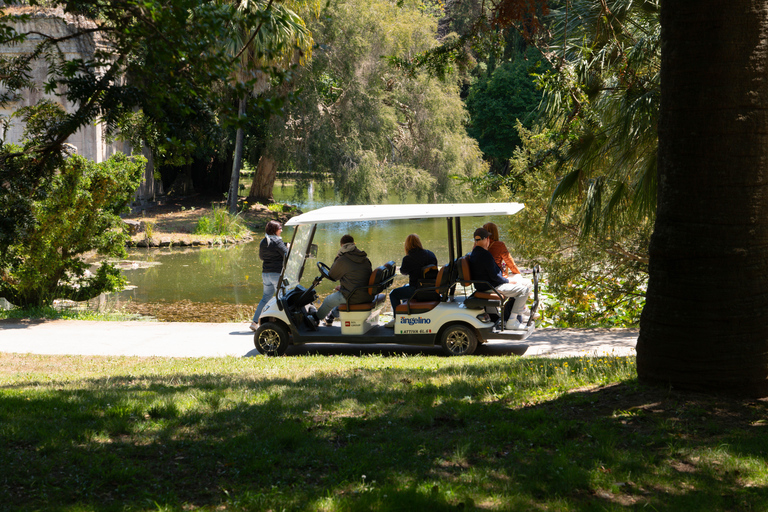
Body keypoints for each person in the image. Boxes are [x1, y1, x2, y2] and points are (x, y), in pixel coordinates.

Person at [468, 227, 531, 330]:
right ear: (485, 240)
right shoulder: (485, 255)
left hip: (486, 284)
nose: (489, 240)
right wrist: (509, 281)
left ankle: (515, 313)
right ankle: (512, 321)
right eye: (488, 238)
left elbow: (493, 275)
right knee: (524, 290)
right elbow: (495, 277)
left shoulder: (475, 253)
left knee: (520, 286)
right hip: (491, 286)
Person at [483, 221, 535, 320]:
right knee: (527, 283)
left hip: (490, 278)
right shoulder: (499, 245)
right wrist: (517, 274)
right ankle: (518, 312)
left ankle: (519, 311)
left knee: (521, 283)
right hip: (495, 280)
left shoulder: (479, 248)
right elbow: (510, 262)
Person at [316, 234, 373, 325]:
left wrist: (337, 258)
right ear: (354, 244)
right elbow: (357, 277)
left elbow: (333, 275)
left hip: (353, 296)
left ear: (342, 245)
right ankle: (330, 317)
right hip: (366, 294)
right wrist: (343, 286)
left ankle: (315, 319)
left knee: (328, 300)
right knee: (339, 295)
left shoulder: (342, 259)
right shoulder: (364, 258)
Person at [386, 234, 438, 327]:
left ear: (407, 245)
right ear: (419, 242)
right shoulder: (430, 254)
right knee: (405, 287)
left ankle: (396, 320)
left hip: (417, 290)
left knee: (393, 293)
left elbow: (403, 272)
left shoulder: (408, 258)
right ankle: (406, 317)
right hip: (432, 289)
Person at [250, 220, 288, 331]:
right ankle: (284, 323)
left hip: (266, 274)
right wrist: (289, 247)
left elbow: (262, 257)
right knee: (283, 298)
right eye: (280, 227)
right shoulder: (277, 241)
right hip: (277, 274)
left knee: (265, 298)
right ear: (275, 229)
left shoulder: (263, 241)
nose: (281, 229)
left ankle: (254, 322)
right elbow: (287, 255)